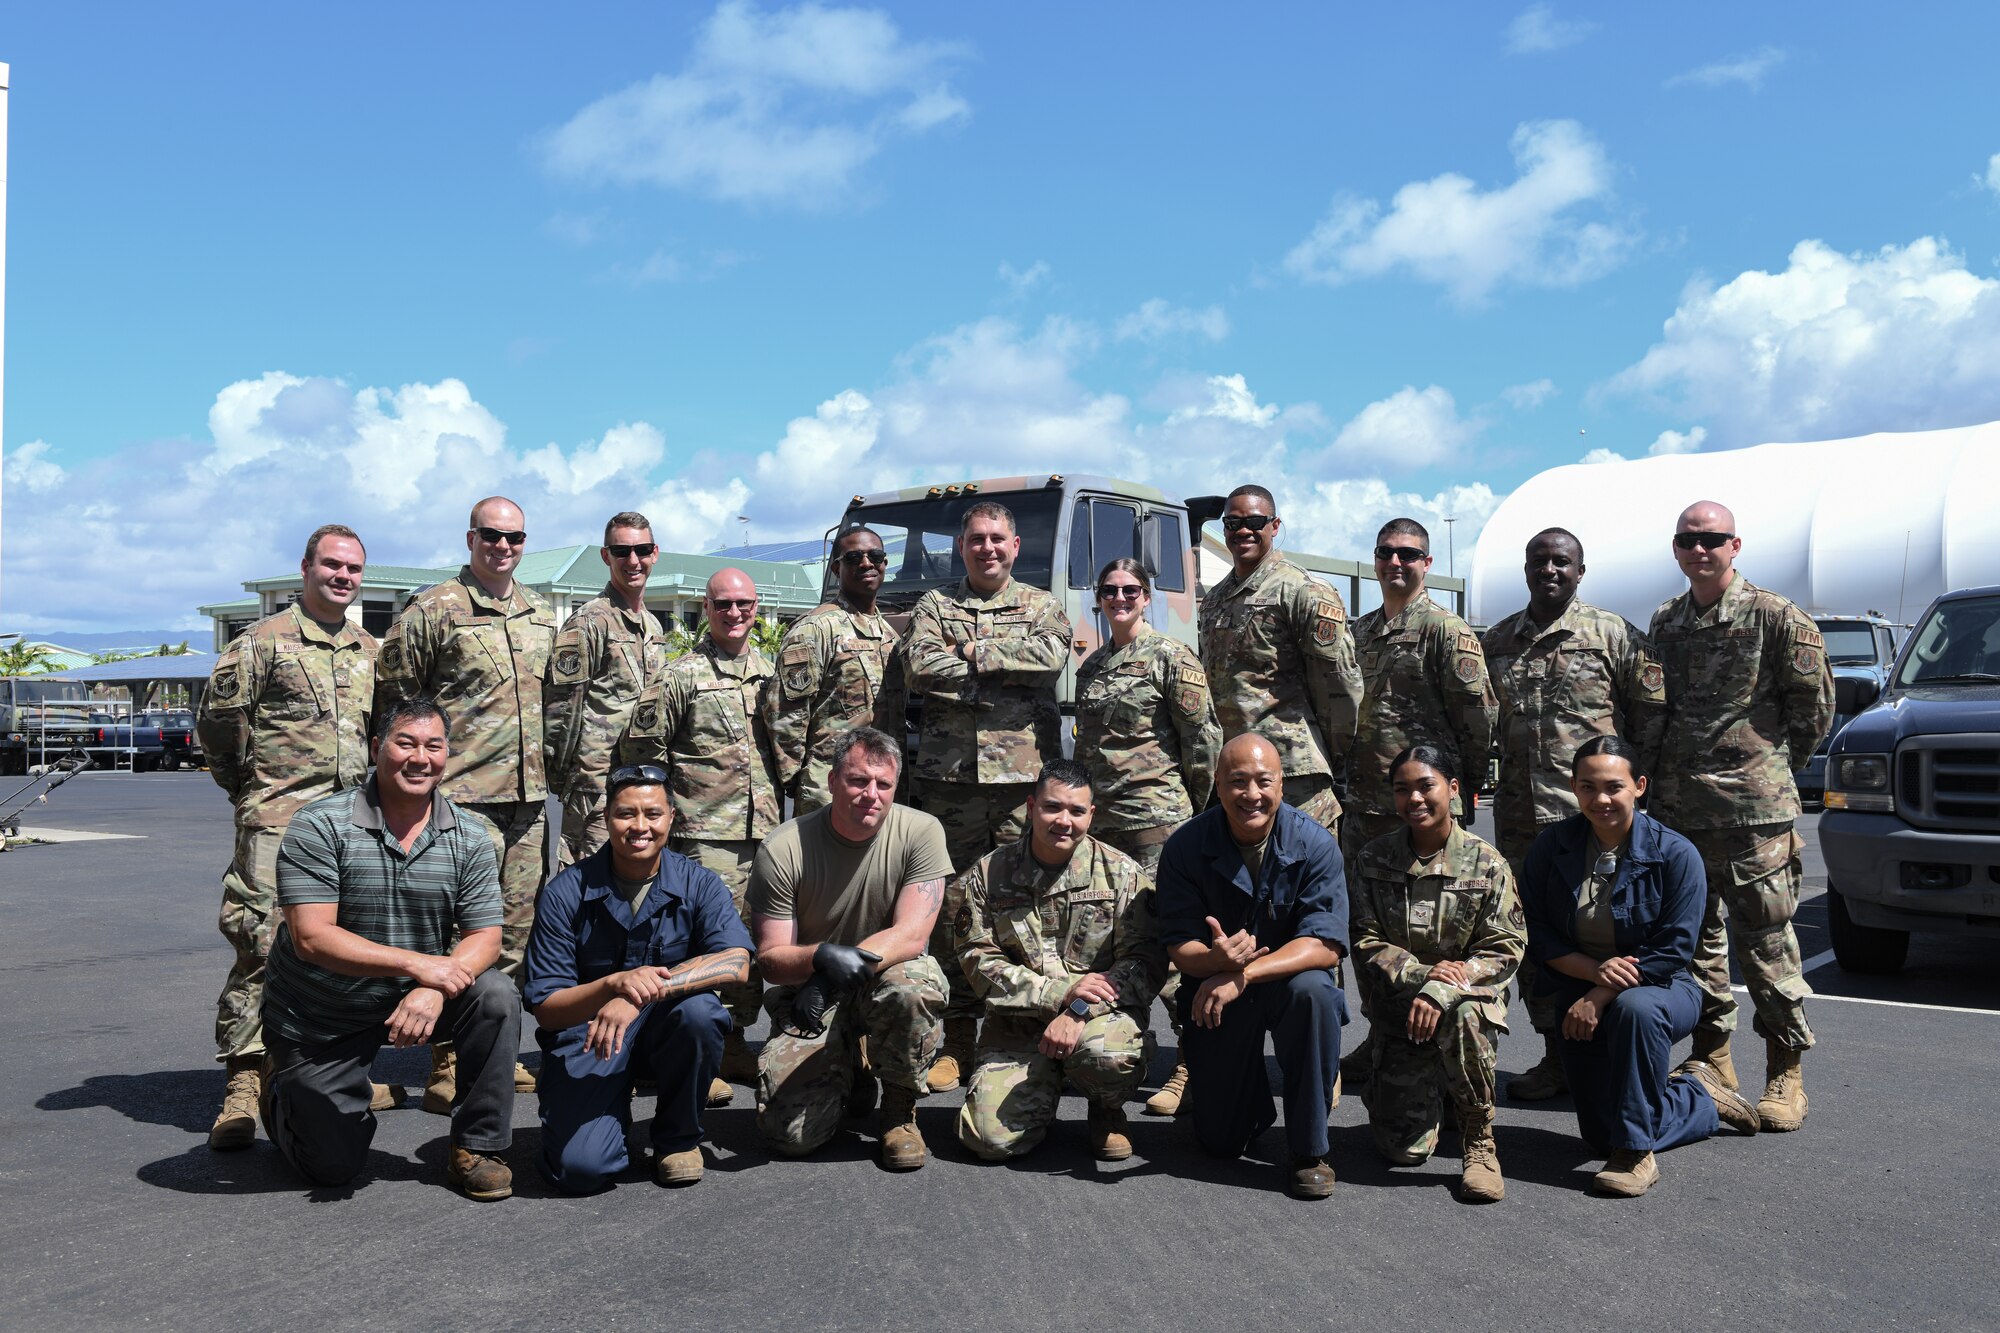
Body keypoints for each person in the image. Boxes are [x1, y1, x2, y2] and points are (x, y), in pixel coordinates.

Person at [259, 697, 521, 1200]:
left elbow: (485, 937)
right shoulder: (321, 825)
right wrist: (423, 967)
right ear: (378, 748)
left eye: (433, 745)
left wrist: (434, 989)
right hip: (323, 1015)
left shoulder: (470, 836)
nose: (419, 757)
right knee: (331, 1167)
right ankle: (283, 1089)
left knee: (496, 995)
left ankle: (478, 1147)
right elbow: (312, 937)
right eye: (405, 743)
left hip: (414, 1002)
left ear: (448, 755)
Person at [197, 523, 400, 1149]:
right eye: (332, 565)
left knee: (348, 950)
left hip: (351, 825)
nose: (343, 577)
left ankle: (331, 1068)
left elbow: (383, 737)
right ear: (305, 567)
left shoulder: (373, 651)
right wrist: (256, 795)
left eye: (353, 569)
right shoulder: (260, 644)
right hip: (279, 821)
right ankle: (244, 1079)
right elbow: (219, 731)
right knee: (261, 941)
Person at [1648, 501, 1833, 1130]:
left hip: (1754, 817)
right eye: (1688, 539)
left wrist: (1768, 769)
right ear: (1676, 548)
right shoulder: (1666, 623)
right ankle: (1715, 1057)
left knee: (1768, 943)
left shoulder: (1777, 618)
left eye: (1713, 539)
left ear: (1736, 545)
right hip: (1680, 814)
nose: (1700, 549)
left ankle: (1786, 1070)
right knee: (1697, 944)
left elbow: (1814, 711)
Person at [1522, 736, 1763, 1197]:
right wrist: (1593, 978)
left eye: (1614, 786)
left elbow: (1673, 949)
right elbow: (1538, 934)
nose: (1602, 799)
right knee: (1597, 1136)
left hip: (1664, 989)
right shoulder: (1552, 847)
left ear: (1639, 787)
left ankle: (1636, 1156)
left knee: (1636, 1010)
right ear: (1573, 788)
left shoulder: (1675, 853)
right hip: (1580, 986)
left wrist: (1599, 993)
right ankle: (1697, 1098)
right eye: (1588, 787)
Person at [374, 495, 555, 1108]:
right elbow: (395, 704)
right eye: (492, 535)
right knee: (454, 929)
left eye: (515, 537)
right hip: (461, 800)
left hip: (528, 802)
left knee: (515, 931)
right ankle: (446, 1062)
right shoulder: (433, 611)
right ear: (471, 537)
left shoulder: (540, 613)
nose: (503, 547)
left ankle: (493, 1050)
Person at [1481, 527, 1666, 1102]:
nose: (1550, 570)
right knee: (1538, 934)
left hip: (1595, 820)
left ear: (1580, 571)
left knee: (1606, 928)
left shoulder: (1612, 635)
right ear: (1526, 568)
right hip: (1518, 819)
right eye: (1539, 561)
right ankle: (1556, 1054)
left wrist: (1633, 793)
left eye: (1562, 562)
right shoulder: (1498, 641)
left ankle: (1613, 1051)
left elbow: (1650, 719)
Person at [902, 500, 1072, 1091]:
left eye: (997, 539)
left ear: (1016, 546)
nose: (987, 548)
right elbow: (917, 664)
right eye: (976, 539)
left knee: (1021, 908)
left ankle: (1017, 1032)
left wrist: (975, 652)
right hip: (950, 787)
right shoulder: (935, 604)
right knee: (951, 910)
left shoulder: (1041, 605)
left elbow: (1051, 658)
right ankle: (953, 1039)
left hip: (1023, 786)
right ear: (962, 547)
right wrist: (999, 673)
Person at [522, 765, 753, 1193]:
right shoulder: (566, 893)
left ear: (671, 818)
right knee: (581, 1171)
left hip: (666, 1033)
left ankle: (677, 1138)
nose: (640, 826)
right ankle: (604, 1118)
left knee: (701, 1015)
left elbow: (735, 962)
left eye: (653, 813)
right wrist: (611, 986)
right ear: (606, 818)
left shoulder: (698, 883)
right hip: (591, 1036)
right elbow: (548, 1011)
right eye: (626, 814)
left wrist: (638, 995)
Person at [749, 727, 956, 1169]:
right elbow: (771, 959)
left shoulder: (922, 832)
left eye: (883, 784)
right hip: (807, 992)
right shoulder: (783, 848)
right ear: (831, 781)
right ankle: (850, 1064)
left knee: (914, 986)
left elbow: (911, 935)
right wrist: (819, 960)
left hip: (882, 980)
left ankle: (899, 1112)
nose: (871, 795)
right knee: (790, 1136)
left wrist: (829, 975)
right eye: (858, 781)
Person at [1156, 733, 1348, 1200]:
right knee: (1220, 1142)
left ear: (1282, 785)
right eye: (1237, 781)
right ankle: (1250, 1105)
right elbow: (1178, 943)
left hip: (1283, 985)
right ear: (1218, 786)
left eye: (1264, 781)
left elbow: (1325, 944)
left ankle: (1309, 1150)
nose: (1252, 794)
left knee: (1315, 992)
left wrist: (1241, 974)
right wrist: (1212, 960)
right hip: (1216, 990)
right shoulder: (1185, 846)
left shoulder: (1315, 843)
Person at [619, 567, 782, 1104]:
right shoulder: (680, 676)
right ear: (705, 609)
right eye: (724, 604)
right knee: (708, 942)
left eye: (745, 604)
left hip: (768, 832)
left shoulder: (770, 672)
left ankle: (735, 1040)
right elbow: (644, 755)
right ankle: (700, 1050)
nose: (735, 614)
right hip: (707, 832)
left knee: (759, 941)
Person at [1343, 518, 1495, 1087]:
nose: (1396, 562)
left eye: (1409, 553)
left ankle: (1437, 1033)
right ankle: (1384, 1035)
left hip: (1426, 808)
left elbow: (1479, 718)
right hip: (1366, 806)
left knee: (1434, 929)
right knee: (1373, 932)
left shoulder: (1445, 631)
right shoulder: (1359, 633)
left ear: (1427, 562)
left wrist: (1466, 786)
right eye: (1386, 553)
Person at [953, 760, 1166, 1163]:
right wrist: (1057, 992)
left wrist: (1079, 1010)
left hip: (1096, 1020)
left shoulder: (1121, 874)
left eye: (1076, 811)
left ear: (1092, 814)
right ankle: (1041, 1088)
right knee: (987, 1141)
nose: (1063, 821)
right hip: (1018, 1023)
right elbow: (975, 956)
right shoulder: (990, 872)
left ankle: (1106, 1108)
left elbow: (1144, 961)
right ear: (1031, 807)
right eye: (1053, 807)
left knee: (1107, 1055)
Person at [1075, 556, 1218, 1119]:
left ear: (1147, 595)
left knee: (1172, 946)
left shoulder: (1171, 658)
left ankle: (1190, 1065)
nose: (1119, 598)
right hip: (1106, 831)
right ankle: (1131, 1048)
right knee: (1117, 945)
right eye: (1109, 590)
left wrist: (1199, 819)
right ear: (1099, 597)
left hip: (1160, 826)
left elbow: (1202, 741)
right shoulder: (1092, 667)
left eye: (1130, 589)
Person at [1349, 746, 1524, 1203]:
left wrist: (1445, 986)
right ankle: (1421, 1086)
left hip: (1464, 1002)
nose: (1415, 799)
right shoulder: (1373, 859)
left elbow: (1505, 946)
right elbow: (1365, 940)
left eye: (1426, 786)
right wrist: (1424, 975)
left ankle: (1478, 1137)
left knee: (1464, 1014)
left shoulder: (1487, 863)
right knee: (1403, 1151)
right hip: (1402, 1010)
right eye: (1402, 790)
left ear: (1452, 789)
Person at [1198, 484, 1362, 837]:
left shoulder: (1303, 592)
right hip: (1234, 778)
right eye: (1233, 522)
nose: (1244, 530)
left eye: (1255, 521)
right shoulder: (1214, 601)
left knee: (1303, 879)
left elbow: (1341, 686)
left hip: (1293, 773)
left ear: (1275, 525)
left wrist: (1331, 753)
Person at [544, 511, 671, 865]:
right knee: (590, 886)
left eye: (642, 550)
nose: (633, 560)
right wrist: (568, 780)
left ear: (655, 553)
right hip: (597, 787)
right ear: (606, 556)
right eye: (622, 551)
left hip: (642, 784)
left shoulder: (652, 626)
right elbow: (561, 711)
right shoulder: (589, 621)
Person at [765, 525, 906, 817]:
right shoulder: (816, 630)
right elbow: (785, 714)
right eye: (854, 558)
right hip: (830, 790)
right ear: (836, 567)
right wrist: (800, 782)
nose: (866, 563)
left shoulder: (891, 635)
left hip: (881, 788)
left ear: (885, 564)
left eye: (875, 556)